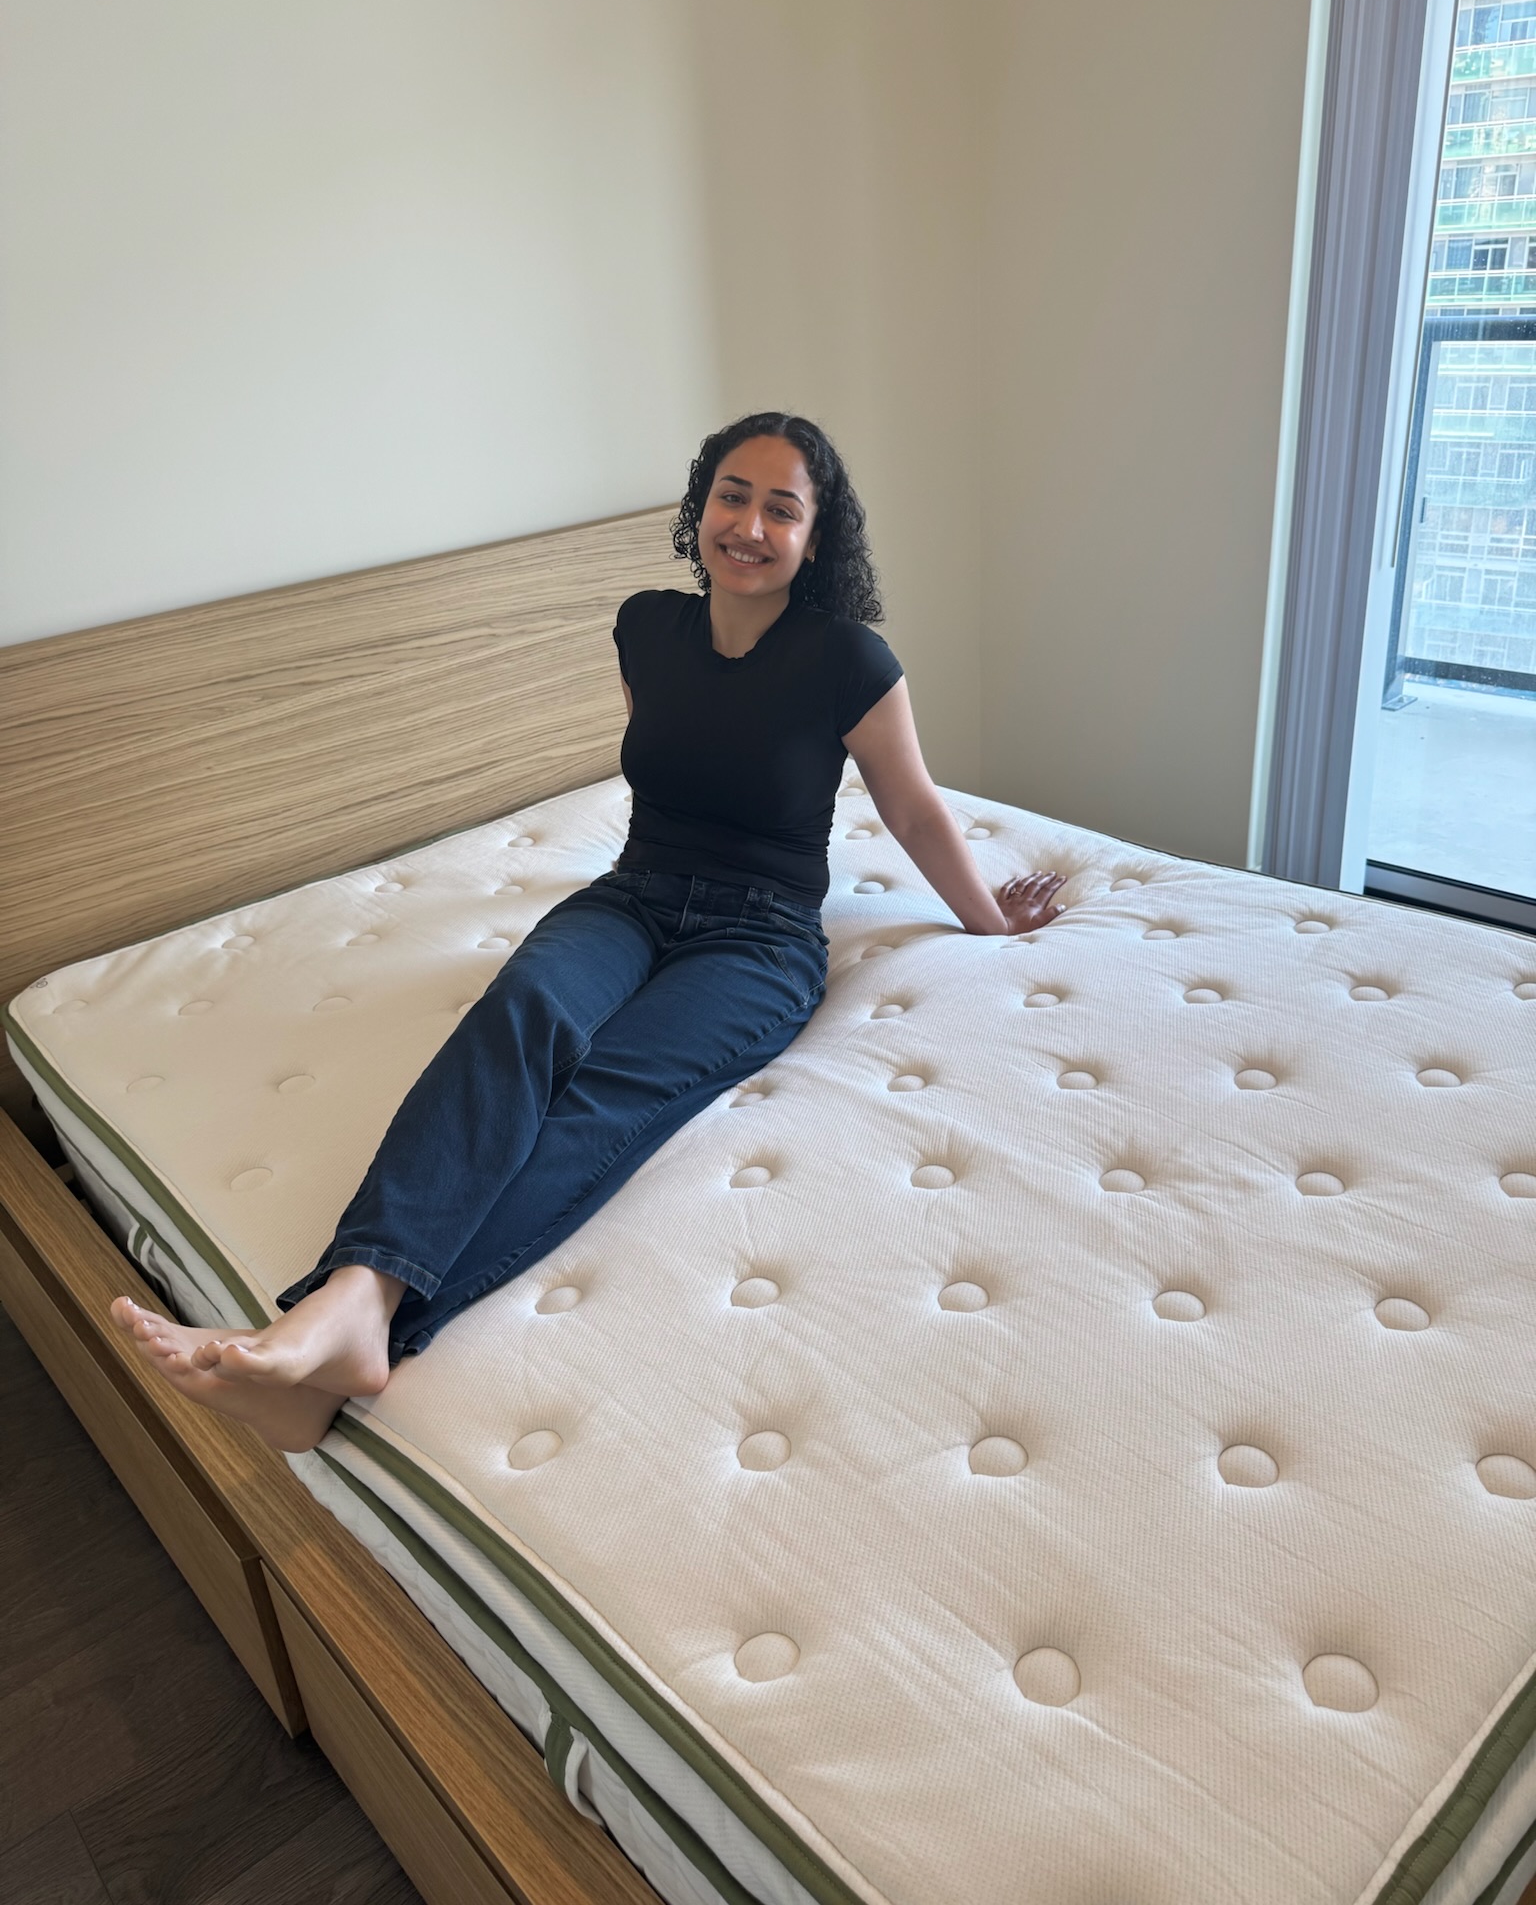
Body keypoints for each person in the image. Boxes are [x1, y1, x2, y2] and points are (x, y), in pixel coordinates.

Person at [112, 413, 1064, 1450]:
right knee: (520, 1015)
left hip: (761, 939)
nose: (749, 524)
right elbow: (670, 759)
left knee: (605, 1091)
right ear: (700, 507)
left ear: (817, 538)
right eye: (731, 495)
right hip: (633, 893)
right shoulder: (643, 628)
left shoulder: (849, 659)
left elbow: (915, 808)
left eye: (781, 508)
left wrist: (986, 915)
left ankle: (359, 1327)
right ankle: (349, 1303)